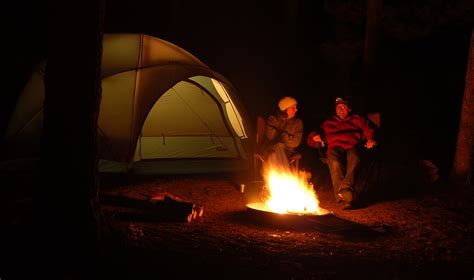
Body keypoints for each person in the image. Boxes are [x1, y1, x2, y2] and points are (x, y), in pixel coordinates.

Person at [307, 97, 376, 210]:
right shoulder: (329, 122)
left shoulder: (357, 119)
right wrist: (314, 137)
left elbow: (368, 129)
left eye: (343, 107)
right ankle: (345, 198)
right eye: (338, 107)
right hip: (334, 147)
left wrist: (370, 139)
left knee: (355, 158)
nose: (340, 109)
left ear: (349, 109)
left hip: (352, 146)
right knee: (334, 163)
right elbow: (313, 136)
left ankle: (344, 194)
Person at [263, 96, 303, 172]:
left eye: (296, 107)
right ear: (285, 110)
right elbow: (270, 137)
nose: (296, 110)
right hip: (271, 148)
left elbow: (295, 143)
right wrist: (288, 136)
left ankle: (276, 181)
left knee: (274, 155)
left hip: (288, 151)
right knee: (278, 148)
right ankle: (287, 177)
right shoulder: (273, 119)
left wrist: (280, 134)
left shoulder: (297, 123)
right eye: (293, 108)